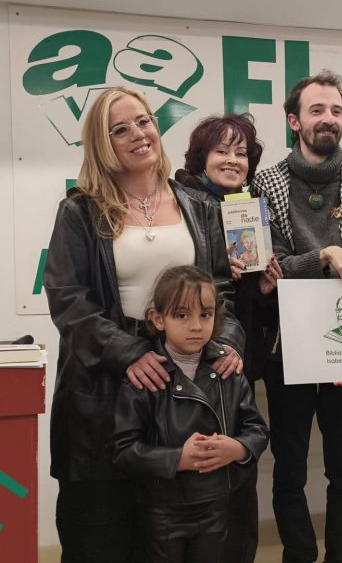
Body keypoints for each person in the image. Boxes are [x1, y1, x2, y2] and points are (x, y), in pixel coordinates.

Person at [43, 87, 244, 563]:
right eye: (120, 129)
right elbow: (68, 299)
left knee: (173, 542)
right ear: (103, 143)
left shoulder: (198, 205)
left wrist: (228, 340)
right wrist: (129, 353)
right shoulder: (80, 210)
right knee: (100, 537)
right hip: (103, 391)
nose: (138, 134)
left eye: (144, 121)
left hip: (182, 387)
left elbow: (221, 289)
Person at [251, 70, 342, 563]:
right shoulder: (264, 183)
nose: (328, 119)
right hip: (285, 350)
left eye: (336, 110)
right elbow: (269, 270)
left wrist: (304, 266)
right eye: (316, 110)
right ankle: (299, 554)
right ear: (294, 121)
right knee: (288, 469)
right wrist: (326, 253)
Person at [175, 112, 281, 563]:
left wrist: (261, 285)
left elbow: (252, 310)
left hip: (238, 362)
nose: (232, 160)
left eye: (241, 153)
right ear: (201, 157)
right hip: (187, 363)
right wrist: (217, 273)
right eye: (221, 151)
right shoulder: (180, 205)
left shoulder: (253, 208)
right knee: (194, 469)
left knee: (238, 473)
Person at [112, 265, 269, 563]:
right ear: (158, 319)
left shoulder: (228, 369)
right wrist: (177, 459)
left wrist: (237, 448)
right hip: (161, 510)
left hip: (217, 505)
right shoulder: (146, 375)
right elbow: (124, 451)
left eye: (205, 315)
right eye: (182, 316)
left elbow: (257, 429)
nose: (196, 326)